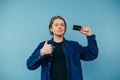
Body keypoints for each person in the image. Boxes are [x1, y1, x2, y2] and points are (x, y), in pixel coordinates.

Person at [26, 16, 98, 80]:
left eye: (62, 25)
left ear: (65, 28)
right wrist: (41, 52)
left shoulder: (74, 46)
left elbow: (92, 54)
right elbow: (30, 65)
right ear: (51, 29)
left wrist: (89, 35)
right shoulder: (44, 46)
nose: (60, 27)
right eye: (56, 25)